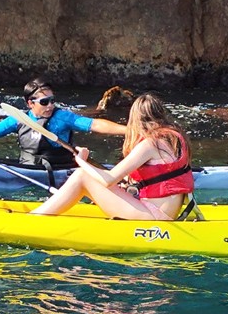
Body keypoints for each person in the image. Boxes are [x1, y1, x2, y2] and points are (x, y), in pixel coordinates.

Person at [30, 93, 196, 220]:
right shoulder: (174, 138)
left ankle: (35, 219)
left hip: (154, 216)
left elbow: (109, 179)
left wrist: (81, 161)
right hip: (167, 212)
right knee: (94, 177)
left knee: (81, 176)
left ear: (136, 119)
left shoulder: (150, 144)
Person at [0, 77, 125, 172]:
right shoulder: (17, 119)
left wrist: (128, 130)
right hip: (27, 169)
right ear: (30, 103)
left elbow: (95, 124)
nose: (50, 106)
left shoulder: (62, 117)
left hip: (59, 169)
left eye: (52, 100)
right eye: (44, 102)